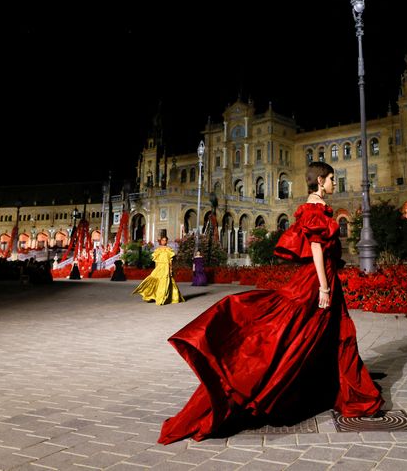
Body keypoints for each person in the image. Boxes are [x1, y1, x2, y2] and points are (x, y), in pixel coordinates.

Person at [158, 162, 383, 444]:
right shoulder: (315, 209)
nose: (334, 184)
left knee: (326, 336)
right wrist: (324, 287)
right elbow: (315, 248)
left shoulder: (314, 208)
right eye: (331, 180)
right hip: (315, 283)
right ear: (321, 181)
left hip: (320, 280)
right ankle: (248, 390)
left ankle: (338, 387)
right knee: (289, 338)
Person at [131, 237, 184, 305]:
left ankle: (162, 298)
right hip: (159, 267)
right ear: (160, 241)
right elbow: (156, 261)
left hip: (166, 267)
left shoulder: (169, 249)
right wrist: (156, 268)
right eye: (162, 240)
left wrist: (170, 269)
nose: (164, 241)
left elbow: (170, 260)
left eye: (165, 240)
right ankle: (150, 295)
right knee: (153, 279)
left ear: (167, 241)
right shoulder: (157, 250)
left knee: (165, 281)